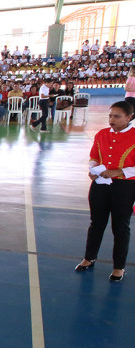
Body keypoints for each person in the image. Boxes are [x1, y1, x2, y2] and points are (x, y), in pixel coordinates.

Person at [75, 101, 135, 281]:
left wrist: (120, 171)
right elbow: (94, 156)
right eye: (110, 116)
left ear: (129, 117)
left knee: (120, 227)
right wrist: (92, 169)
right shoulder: (102, 134)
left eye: (117, 116)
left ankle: (119, 267)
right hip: (100, 184)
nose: (112, 120)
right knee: (96, 223)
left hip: (124, 187)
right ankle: (89, 257)